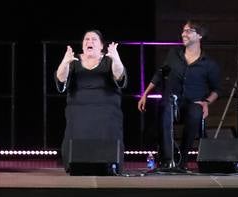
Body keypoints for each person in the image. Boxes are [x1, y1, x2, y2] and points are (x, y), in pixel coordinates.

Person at [138, 20, 222, 171]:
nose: (184, 34)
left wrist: (206, 103)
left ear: (200, 35)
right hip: (172, 101)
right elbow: (160, 73)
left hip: (193, 103)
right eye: (183, 30)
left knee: (196, 112)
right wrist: (145, 93)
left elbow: (217, 90)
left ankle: (182, 159)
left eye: (189, 31)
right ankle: (167, 159)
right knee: (164, 107)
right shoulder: (174, 54)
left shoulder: (209, 64)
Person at [56, 30, 126, 172]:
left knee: (108, 117)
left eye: (94, 39)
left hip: (106, 108)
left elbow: (119, 76)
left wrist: (116, 58)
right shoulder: (73, 60)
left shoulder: (108, 60)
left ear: (101, 46)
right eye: (86, 39)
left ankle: (110, 163)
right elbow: (61, 80)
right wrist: (65, 62)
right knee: (77, 117)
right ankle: (74, 163)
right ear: (82, 45)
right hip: (78, 109)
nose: (89, 42)